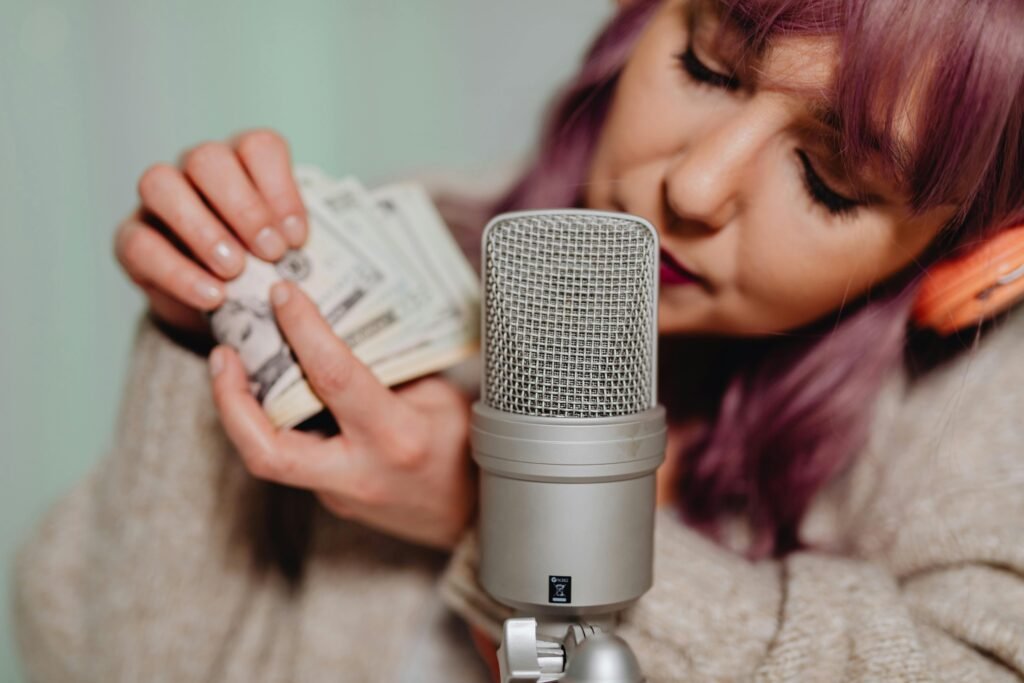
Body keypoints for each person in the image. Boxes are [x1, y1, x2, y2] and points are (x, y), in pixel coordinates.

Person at [13, 0, 1024, 680]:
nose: (694, 186)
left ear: (967, 249)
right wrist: (197, 342)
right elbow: (103, 653)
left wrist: (501, 511)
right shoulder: (409, 239)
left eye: (829, 181)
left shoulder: (973, 410)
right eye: (707, 67)